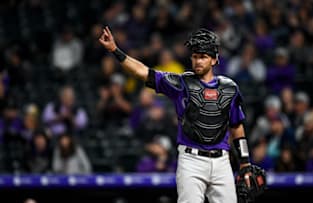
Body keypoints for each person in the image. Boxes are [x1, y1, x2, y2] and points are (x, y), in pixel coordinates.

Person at [99, 26, 265, 203]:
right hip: (191, 161)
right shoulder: (180, 83)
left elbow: (237, 127)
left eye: (203, 57)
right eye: (195, 56)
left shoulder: (229, 89)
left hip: (222, 162)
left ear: (215, 60)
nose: (198, 61)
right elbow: (143, 72)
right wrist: (115, 50)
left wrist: (245, 163)